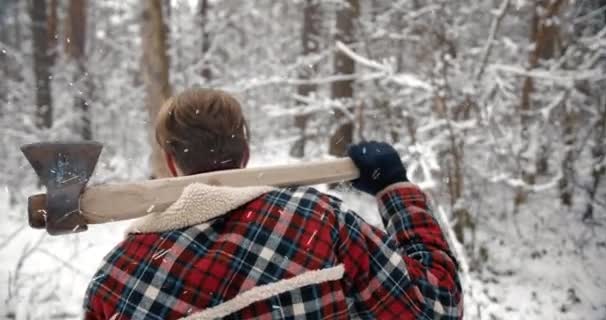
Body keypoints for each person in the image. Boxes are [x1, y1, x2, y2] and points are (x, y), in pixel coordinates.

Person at [83, 88, 462, 319]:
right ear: (245, 154)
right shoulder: (320, 222)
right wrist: (395, 190)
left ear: (170, 162)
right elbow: (436, 306)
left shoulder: (116, 282)